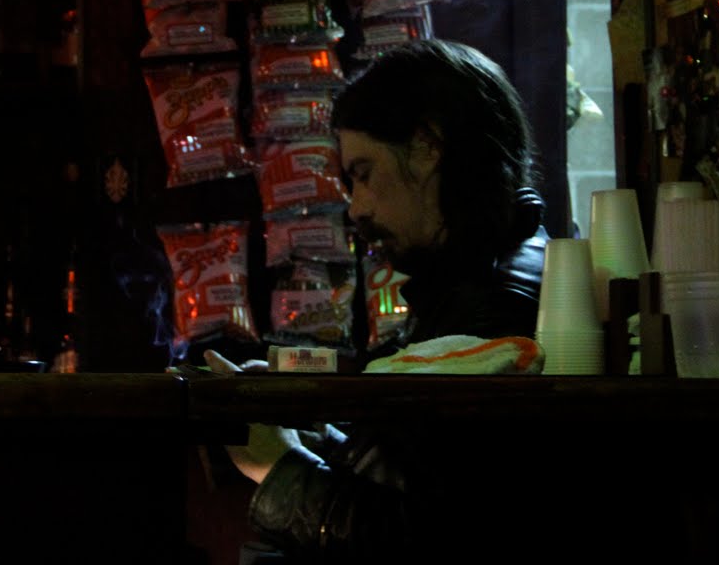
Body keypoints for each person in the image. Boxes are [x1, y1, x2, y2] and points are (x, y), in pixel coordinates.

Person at [203, 39, 558, 562]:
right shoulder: (472, 280)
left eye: (364, 174)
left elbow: (429, 538)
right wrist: (308, 418)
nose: (356, 209)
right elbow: (418, 472)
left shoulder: (494, 309)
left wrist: (277, 468)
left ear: (427, 147)